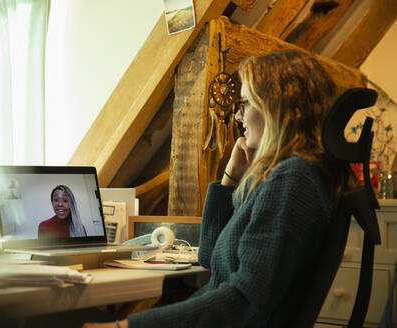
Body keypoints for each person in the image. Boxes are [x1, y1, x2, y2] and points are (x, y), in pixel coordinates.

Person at [82, 50, 355, 328]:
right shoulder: (288, 177)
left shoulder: (292, 180)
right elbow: (212, 258)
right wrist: (230, 178)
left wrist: (125, 327)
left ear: (277, 107)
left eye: (245, 103)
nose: (238, 116)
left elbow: (244, 302)